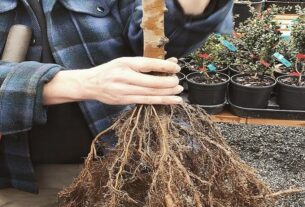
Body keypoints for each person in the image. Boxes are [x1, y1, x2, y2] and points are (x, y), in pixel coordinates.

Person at [0, 0, 233, 206]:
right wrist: (82, 83)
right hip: (21, 184)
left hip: (121, 169)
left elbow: (157, 38)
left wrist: (189, 6)